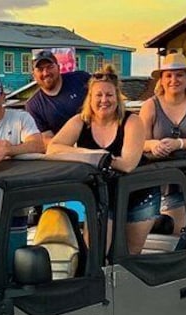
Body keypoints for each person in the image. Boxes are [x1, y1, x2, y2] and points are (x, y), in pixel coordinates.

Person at [47, 66, 145, 252]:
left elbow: (127, 164)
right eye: (98, 95)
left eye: (109, 95)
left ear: (117, 97)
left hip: (136, 195)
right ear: (89, 99)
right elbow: (53, 148)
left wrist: (91, 157)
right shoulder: (79, 121)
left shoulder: (132, 122)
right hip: (101, 195)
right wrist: (90, 155)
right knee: (96, 252)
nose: (104, 100)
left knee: (129, 255)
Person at [139, 52, 186, 235]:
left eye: (180, 75)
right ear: (162, 80)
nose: (174, 79)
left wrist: (179, 143)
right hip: (166, 181)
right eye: (169, 75)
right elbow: (140, 142)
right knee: (175, 232)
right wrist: (154, 146)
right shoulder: (150, 105)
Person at [25, 50, 90, 147]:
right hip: (69, 151)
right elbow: (47, 138)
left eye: (50, 67)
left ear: (58, 68)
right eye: (40, 69)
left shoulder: (81, 78)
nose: (46, 73)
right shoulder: (33, 105)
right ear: (33, 75)